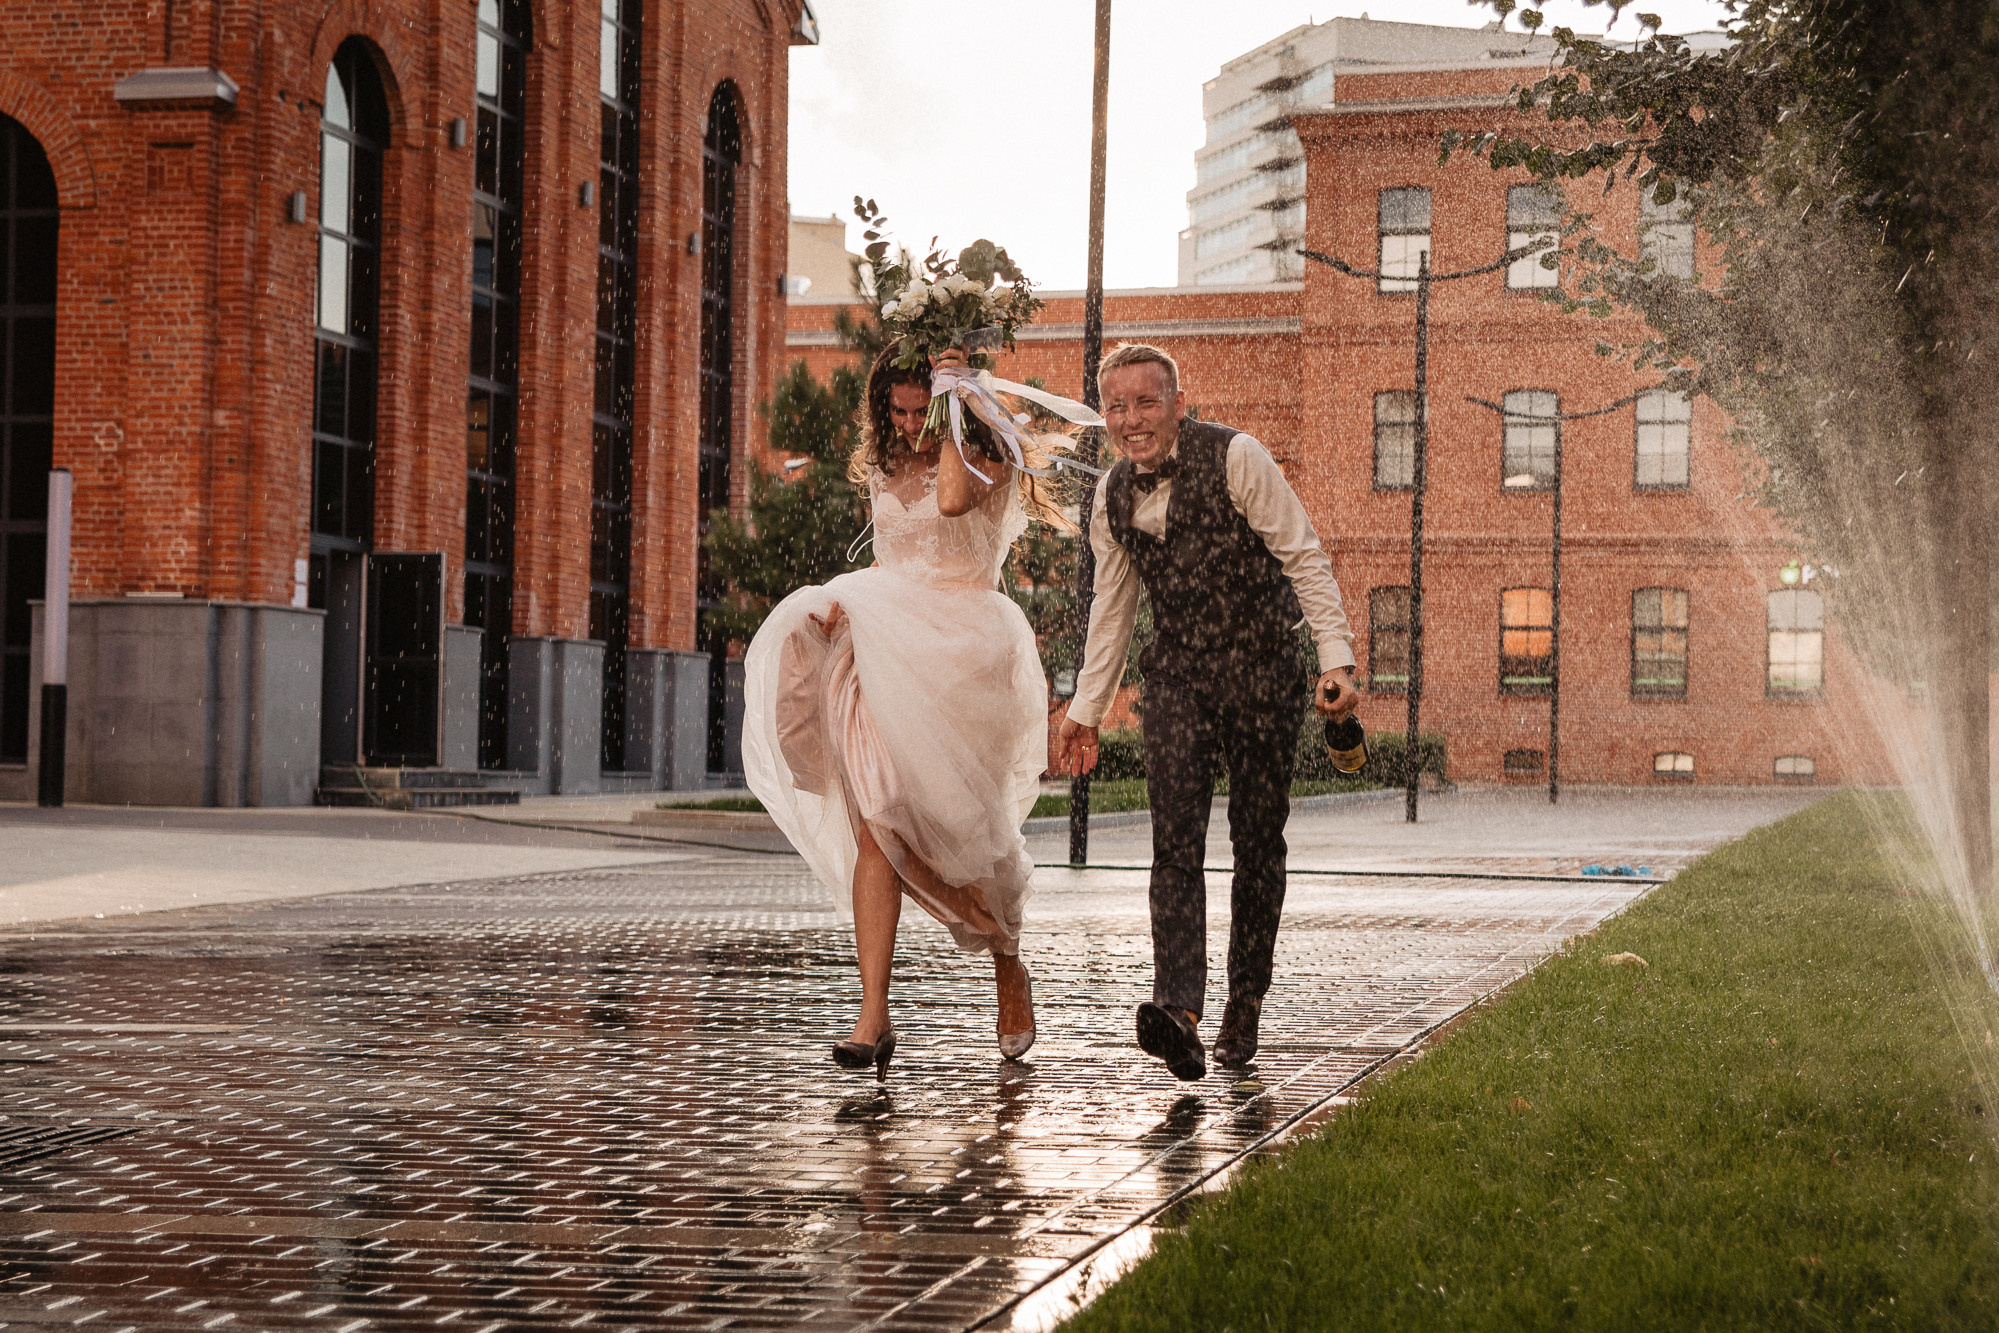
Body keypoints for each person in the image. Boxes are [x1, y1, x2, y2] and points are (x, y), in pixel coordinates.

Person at [741, 346, 1051, 1080]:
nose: (909, 426)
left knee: (969, 835)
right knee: (877, 826)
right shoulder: (881, 465)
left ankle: (1007, 958)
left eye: (923, 411)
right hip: (882, 656)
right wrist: (847, 610)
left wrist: (957, 405)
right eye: (899, 411)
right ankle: (872, 1013)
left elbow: (948, 503)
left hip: (964, 658)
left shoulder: (989, 454)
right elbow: (893, 561)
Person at [1056, 343, 1361, 1081]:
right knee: (1175, 841)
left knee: (1257, 841)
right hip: (1179, 676)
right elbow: (1114, 606)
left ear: (1177, 403)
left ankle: (1245, 1000)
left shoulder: (1238, 457)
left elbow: (1303, 556)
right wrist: (1086, 709)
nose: (1131, 419)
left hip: (1261, 669)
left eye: (1145, 402)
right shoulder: (1110, 494)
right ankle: (1179, 1009)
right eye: (1117, 406)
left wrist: (1335, 659)